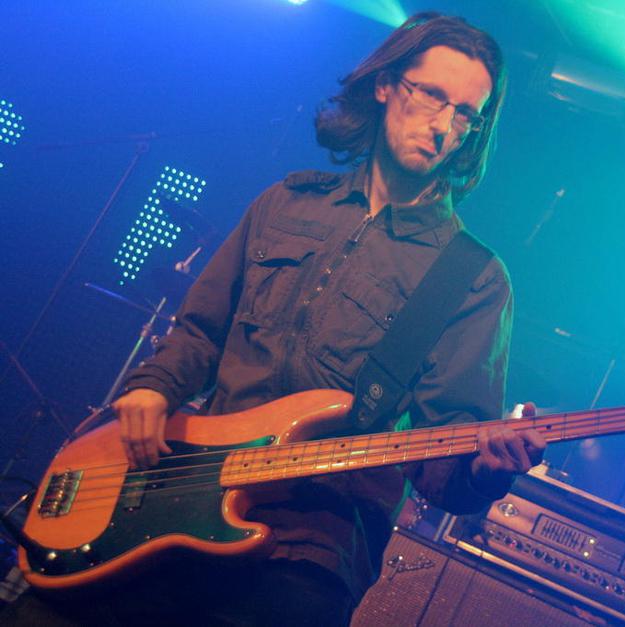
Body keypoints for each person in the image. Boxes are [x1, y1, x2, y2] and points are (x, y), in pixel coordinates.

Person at [2, 11, 544, 626]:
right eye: (432, 96)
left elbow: (442, 459)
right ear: (385, 85)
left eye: (466, 114)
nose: (445, 125)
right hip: (176, 496)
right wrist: (153, 386)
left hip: (309, 549)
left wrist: (485, 470)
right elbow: (200, 332)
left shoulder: (472, 276)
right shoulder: (285, 203)